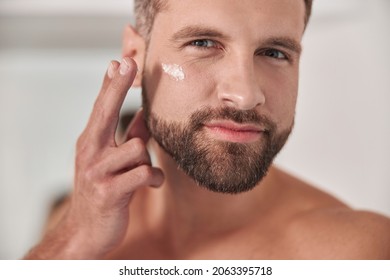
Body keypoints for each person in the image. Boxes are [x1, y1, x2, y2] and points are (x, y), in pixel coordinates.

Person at [25, 0, 390, 259]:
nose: (246, 95)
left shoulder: (358, 254)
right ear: (135, 55)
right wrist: (71, 244)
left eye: (274, 52)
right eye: (202, 43)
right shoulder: (79, 230)